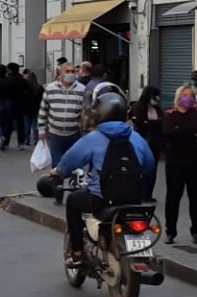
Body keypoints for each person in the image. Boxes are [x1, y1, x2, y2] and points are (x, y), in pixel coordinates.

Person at [50, 92, 156, 265]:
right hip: (133, 198)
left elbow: (70, 161)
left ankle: (77, 251)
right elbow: (150, 168)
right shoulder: (137, 138)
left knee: (73, 202)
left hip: (101, 198)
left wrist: (57, 172)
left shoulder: (93, 138)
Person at [162, 85, 197, 245]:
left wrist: (180, 130)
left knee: (196, 198)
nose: (188, 98)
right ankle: (170, 231)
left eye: (191, 96)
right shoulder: (169, 114)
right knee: (173, 198)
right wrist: (187, 132)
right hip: (175, 163)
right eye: (185, 95)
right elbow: (167, 132)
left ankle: (196, 231)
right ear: (178, 98)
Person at [41, 63, 87, 165]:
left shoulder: (82, 89)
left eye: (73, 71)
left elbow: (85, 111)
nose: (70, 74)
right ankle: (57, 180)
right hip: (55, 134)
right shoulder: (51, 88)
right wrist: (41, 130)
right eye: (67, 71)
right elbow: (43, 109)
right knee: (57, 165)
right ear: (61, 73)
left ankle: (74, 180)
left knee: (75, 164)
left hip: (74, 133)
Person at [130, 86, 165, 165]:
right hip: (143, 139)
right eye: (156, 96)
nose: (158, 98)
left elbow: (162, 121)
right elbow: (140, 123)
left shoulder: (157, 108)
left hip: (156, 141)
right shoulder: (138, 107)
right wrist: (155, 123)